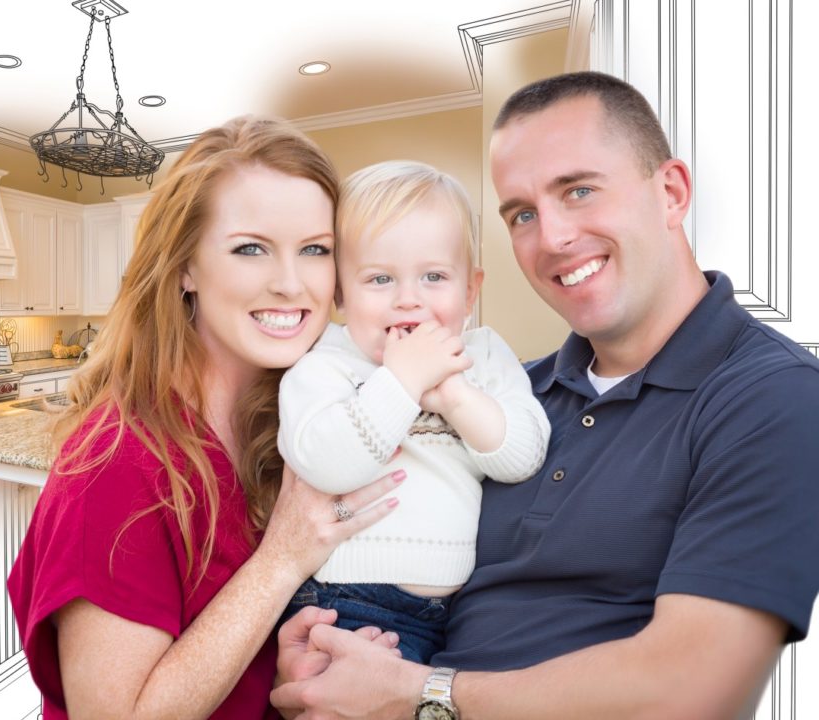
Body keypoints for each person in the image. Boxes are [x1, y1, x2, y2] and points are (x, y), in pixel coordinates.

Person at [272, 71, 819, 719]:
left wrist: (418, 696)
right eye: (523, 214)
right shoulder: (513, 391)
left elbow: (692, 693)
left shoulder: (773, 396)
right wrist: (321, 653)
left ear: (670, 193)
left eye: (580, 190)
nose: (553, 237)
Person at [6, 116, 404, 720]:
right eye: (251, 248)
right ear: (185, 267)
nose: (290, 283)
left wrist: (289, 668)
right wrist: (281, 559)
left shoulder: (301, 424)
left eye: (315, 250)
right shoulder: (116, 463)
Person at [276, 160, 550, 664]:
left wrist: (453, 397)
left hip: (461, 610)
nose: (408, 300)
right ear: (340, 293)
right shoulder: (326, 365)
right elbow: (327, 465)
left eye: (434, 276)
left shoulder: (483, 356)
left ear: (470, 290)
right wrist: (401, 383)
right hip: (351, 604)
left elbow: (523, 455)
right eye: (380, 279)